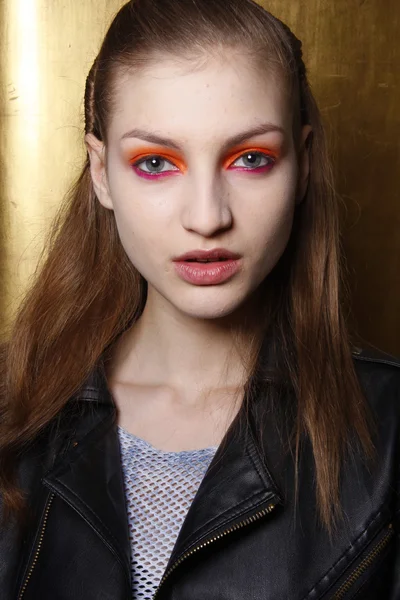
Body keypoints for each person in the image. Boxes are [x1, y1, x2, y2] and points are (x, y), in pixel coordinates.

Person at [0, 0, 399, 598]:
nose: (207, 217)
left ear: (305, 163)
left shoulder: (390, 429)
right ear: (102, 173)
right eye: (156, 162)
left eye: (251, 159)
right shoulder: (14, 410)